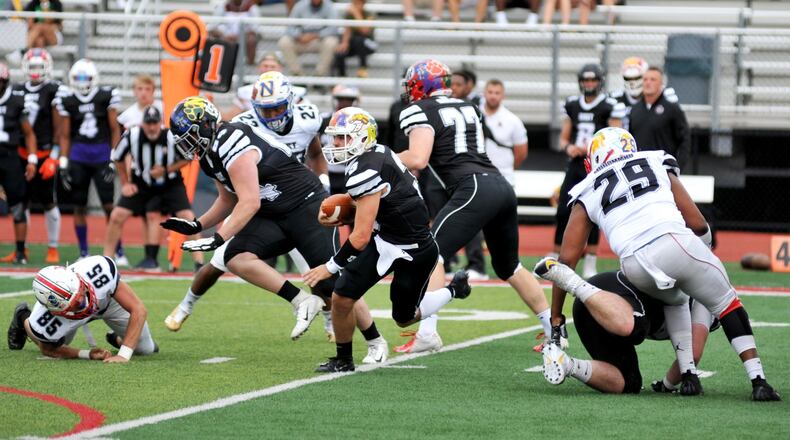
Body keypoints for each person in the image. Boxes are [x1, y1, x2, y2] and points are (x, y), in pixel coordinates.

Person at [535, 126, 781, 401]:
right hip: (672, 241)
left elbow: (565, 260)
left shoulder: (588, 188)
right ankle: (758, 380)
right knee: (727, 302)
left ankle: (687, 377)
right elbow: (698, 223)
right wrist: (705, 252)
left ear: (590, 162)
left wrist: (556, 318)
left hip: (633, 264)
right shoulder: (654, 160)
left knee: (674, 300)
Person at [163, 97, 385, 360]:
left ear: (206, 124)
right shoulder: (209, 156)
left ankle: (375, 341)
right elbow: (228, 198)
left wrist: (218, 237)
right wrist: (198, 225)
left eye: (191, 136)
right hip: (274, 214)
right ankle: (301, 301)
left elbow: (249, 201)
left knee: (334, 286)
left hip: (305, 207)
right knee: (236, 257)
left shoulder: (231, 139)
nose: (189, 145)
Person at [394, 59, 553, 353]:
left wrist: (384, 157)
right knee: (510, 266)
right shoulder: (468, 106)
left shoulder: (419, 110)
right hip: (500, 186)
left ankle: (428, 333)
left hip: (473, 186)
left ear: (421, 85)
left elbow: (418, 159)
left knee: (431, 254)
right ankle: (553, 330)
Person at [303, 107, 471, 372]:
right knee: (342, 297)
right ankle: (343, 359)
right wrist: (346, 210)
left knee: (404, 318)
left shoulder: (365, 168)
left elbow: (359, 238)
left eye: (343, 138)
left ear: (361, 138)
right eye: (335, 138)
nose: (335, 144)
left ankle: (454, 290)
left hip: (414, 250)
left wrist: (330, 266)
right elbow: (383, 204)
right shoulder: (376, 153)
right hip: (386, 239)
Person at [533, 269, 722, 395]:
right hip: (609, 293)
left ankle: (566, 364)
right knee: (637, 329)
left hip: (597, 312)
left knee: (629, 383)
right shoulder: (705, 298)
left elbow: (687, 356)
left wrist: (666, 385)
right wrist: (668, 385)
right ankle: (573, 282)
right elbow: (693, 355)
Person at [103, 106, 203, 271]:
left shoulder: (171, 136)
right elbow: (117, 158)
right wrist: (126, 183)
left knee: (187, 216)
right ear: (142, 124)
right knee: (117, 215)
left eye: (154, 123)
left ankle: (199, 262)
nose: (151, 127)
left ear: (160, 123)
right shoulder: (132, 135)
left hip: (171, 183)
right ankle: (107, 261)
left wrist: (165, 170)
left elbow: (188, 157)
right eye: (148, 123)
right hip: (142, 182)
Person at [7, 256, 158, 362]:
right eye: (76, 304)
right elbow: (48, 350)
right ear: (55, 311)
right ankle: (22, 317)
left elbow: (138, 309)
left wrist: (123, 355)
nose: (83, 302)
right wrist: (87, 354)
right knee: (43, 336)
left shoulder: (97, 270)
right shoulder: (43, 321)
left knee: (145, 349)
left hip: (109, 302)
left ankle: (115, 337)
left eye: (80, 293)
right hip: (67, 318)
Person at [553, 63, 624, 279]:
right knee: (563, 210)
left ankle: (590, 262)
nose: (589, 84)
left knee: (593, 213)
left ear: (600, 81)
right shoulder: (573, 104)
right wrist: (569, 147)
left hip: (598, 164)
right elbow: (563, 138)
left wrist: (592, 148)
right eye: (586, 80)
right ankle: (557, 259)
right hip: (576, 163)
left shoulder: (610, 105)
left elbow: (615, 135)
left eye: (593, 80)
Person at [55, 59, 123, 261]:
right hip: (78, 156)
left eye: (86, 78)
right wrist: (63, 163)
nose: (82, 82)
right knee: (79, 206)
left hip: (102, 154)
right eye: (78, 78)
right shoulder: (67, 99)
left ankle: (118, 250)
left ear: (94, 78)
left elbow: (114, 129)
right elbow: (65, 135)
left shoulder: (105, 96)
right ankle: (83, 252)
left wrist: (113, 159)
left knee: (109, 206)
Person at [1, 49, 60, 265]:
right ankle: (21, 249)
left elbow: (60, 127)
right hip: (19, 153)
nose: (35, 72)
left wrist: (55, 155)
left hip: (43, 152)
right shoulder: (16, 90)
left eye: (39, 66)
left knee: (48, 201)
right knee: (20, 201)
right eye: (32, 66)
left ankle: (53, 247)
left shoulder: (54, 89)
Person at [0, 61, 38, 265]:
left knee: (17, 205)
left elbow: (29, 133)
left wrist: (32, 159)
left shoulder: (15, 100)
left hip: (9, 156)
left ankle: (21, 251)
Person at [628, 66, 690, 171]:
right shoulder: (635, 110)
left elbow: (685, 140)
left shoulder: (672, 109)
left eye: (653, 79)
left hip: (663, 170)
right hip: (640, 170)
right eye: (645, 79)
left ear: (661, 84)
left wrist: (677, 167)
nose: (648, 83)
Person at [224, 53, 309, 121]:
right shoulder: (246, 92)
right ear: (259, 68)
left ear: (280, 68)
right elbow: (229, 117)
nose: (268, 69)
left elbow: (306, 119)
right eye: (265, 66)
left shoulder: (296, 93)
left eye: (272, 67)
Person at [481, 79, 527, 187]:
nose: (493, 96)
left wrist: (508, 168)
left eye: (497, 93)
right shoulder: (473, 115)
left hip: (505, 177)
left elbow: (521, 153)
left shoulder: (513, 120)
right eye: (490, 92)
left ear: (503, 96)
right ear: (484, 94)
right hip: (479, 177)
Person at [277, 0, 339, 77]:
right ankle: (297, 74)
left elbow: (333, 29)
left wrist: (316, 35)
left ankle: (319, 75)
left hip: (320, 40)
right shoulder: (300, 5)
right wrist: (299, 36)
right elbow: (290, 27)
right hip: (301, 40)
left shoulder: (330, 6)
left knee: (331, 42)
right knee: (284, 42)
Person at [320, 84, 360, 195]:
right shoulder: (323, 120)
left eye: (348, 100)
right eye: (341, 99)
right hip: (327, 171)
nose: (344, 103)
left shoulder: (360, 123)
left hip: (350, 172)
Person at [333, 0, 377, 78]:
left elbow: (365, 31)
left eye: (357, 3)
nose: (355, 5)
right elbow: (347, 30)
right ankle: (341, 76)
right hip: (354, 44)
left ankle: (363, 68)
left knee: (359, 40)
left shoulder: (369, 14)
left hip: (368, 43)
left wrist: (356, 13)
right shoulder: (349, 15)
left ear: (363, 4)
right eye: (354, 3)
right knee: (340, 51)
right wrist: (344, 42)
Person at [209, 0, 260, 66]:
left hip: (245, 36)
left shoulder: (252, 7)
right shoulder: (223, 6)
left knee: (252, 39)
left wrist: (240, 36)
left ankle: (250, 65)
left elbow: (255, 28)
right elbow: (212, 26)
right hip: (225, 36)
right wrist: (223, 35)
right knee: (216, 38)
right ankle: (222, 64)